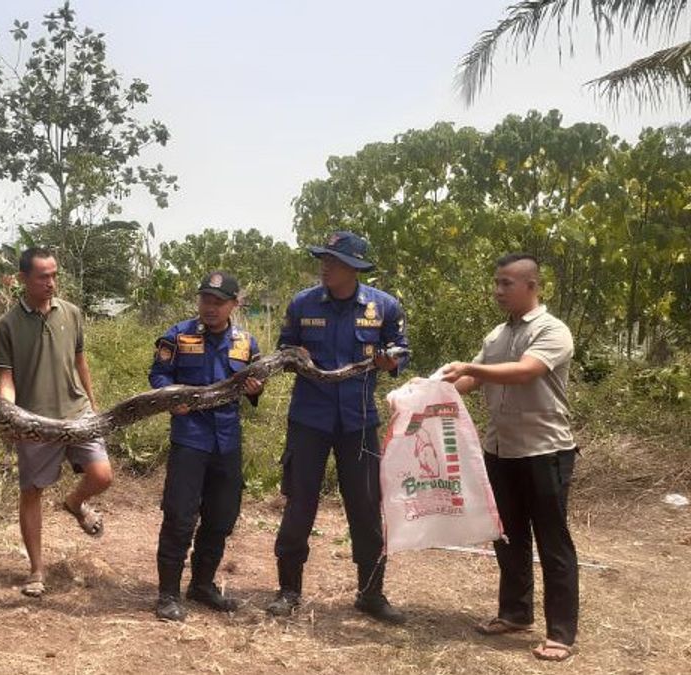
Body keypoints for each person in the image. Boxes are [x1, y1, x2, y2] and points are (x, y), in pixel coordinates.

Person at [441, 253, 579, 662]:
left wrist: (471, 368)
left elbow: (524, 371)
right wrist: (430, 391)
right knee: (509, 536)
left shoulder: (554, 332)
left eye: (506, 283)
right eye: (497, 283)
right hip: (500, 449)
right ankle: (515, 614)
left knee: (552, 541)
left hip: (545, 450)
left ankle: (561, 633)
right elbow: (470, 378)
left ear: (531, 286)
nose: (498, 291)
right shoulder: (496, 335)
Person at [267, 230, 409, 624]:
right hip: (309, 420)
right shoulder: (302, 304)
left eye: (333, 260)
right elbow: (284, 349)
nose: (324, 266)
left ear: (354, 268)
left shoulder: (383, 307)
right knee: (300, 504)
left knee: (365, 508)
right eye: (323, 259)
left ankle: (371, 593)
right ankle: (288, 591)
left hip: (359, 422)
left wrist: (390, 360)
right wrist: (295, 355)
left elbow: (401, 349)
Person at [0, 248, 113, 597]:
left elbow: (80, 362)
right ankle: (36, 570)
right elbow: (6, 379)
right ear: (23, 279)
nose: (51, 282)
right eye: (42, 276)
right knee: (32, 492)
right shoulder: (7, 325)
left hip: (77, 412)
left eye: (53, 275)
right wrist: (10, 415)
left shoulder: (72, 314)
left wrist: (93, 403)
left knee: (102, 475)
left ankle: (75, 503)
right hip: (33, 420)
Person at [148, 271, 264, 622]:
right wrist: (171, 398)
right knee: (180, 516)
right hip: (190, 439)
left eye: (218, 302)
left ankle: (202, 584)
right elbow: (158, 376)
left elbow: (257, 383)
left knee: (221, 516)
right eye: (205, 300)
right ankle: (168, 593)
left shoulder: (246, 342)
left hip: (227, 441)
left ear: (233, 305)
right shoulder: (177, 335)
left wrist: (256, 389)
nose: (210, 308)